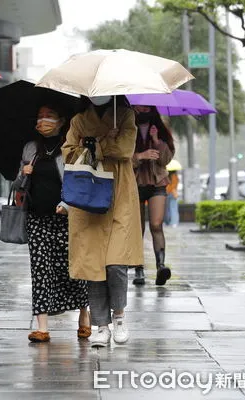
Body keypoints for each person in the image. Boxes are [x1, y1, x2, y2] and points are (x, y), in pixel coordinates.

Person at [62, 95, 144, 347]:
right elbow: (68, 153)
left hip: (119, 195)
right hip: (88, 197)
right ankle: (101, 326)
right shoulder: (78, 120)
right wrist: (104, 142)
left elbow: (125, 149)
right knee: (93, 266)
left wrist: (97, 144)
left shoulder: (126, 116)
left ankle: (119, 317)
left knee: (116, 263)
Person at [14, 103, 90, 343]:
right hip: (36, 218)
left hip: (66, 218)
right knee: (40, 270)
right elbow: (17, 185)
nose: (43, 120)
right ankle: (42, 327)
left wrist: (67, 205)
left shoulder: (70, 147)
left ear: (61, 120)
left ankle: (84, 317)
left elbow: (80, 180)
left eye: (49, 116)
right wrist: (22, 174)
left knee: (73, 269)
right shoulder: (30, 148)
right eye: (39, 116)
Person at [131, 105, 175, 286]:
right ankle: (138, 269)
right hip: (134, 183)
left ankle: (160, 267)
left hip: (157, 182)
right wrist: (140, 155)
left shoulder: (160, 129)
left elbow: (166, 160)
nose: (143, 108)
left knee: (156, 225)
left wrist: (156, 141)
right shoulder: (127, 126)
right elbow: (120, 155)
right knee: (137, 229)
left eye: (147, 105)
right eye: (140, 106)